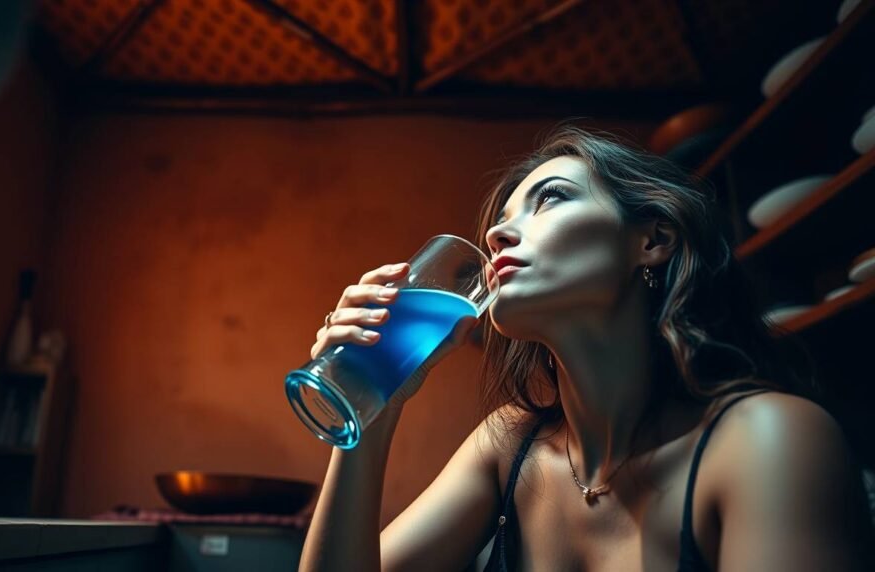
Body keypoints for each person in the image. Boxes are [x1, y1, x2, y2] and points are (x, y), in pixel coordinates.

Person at [297, 126, 874, 571]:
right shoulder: (509, 446)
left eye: (549, 198)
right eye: (499, 220)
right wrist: (373, 405)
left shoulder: (766, 438)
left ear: (651, 240)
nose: (496, 234)